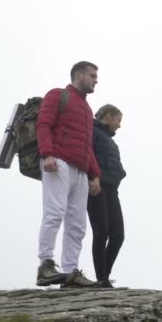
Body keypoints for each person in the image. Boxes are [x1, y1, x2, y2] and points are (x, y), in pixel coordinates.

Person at [35, 61, 102, 288]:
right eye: (92, 76)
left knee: (78, 224)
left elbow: (87, 145)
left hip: (81, 172)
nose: (96, 80)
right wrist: (47, 154)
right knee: (54, 212)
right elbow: (43, 125)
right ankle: (45, 265)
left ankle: (71, 272)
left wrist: (95, 175)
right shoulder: (57, 95)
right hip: (58, 163)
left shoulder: (87, 109)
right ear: (79, 75)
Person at [87, 104, 127, 288]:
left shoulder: (111, 141)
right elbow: (87, 155)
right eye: (118, 120)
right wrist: (92, 178)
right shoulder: (91, 131)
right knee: (101, 232)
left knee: (118, 236)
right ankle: (102, 279)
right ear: (109, 116)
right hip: (95, 186)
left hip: (112, 189)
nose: (119, 125)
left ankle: (104, 276)